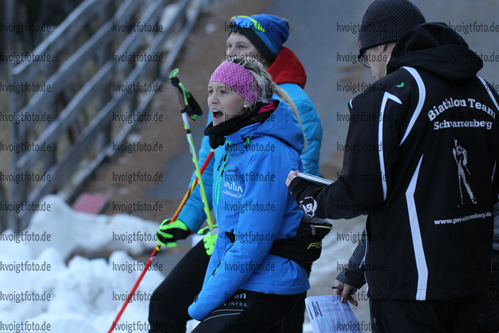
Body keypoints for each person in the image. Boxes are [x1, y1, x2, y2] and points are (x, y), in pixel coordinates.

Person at [285, 0, 499, 332]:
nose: (369, 66)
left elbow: (362, 192)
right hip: (475, 279)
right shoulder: (486, 93)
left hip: (409, 287)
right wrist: (358, 268)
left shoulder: (387, 97)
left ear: (381, 45)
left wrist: (308, 193)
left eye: (365, 55)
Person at [149, 14, 322, 333]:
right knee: (166, 303)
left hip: (272, 244)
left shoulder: (289, 104)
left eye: (241, 45)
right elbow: (209, 169)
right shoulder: (228, 103)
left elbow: (297, 182)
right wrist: (188, 220)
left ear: (266, 53)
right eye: (228, 45)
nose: (231, 52)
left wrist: (248, 230)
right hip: (232, 237)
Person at [186, 55, 308, 332]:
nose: (212, 99)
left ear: (247, 101)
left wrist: (204, 303)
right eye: (210, 90)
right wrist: (209, 293)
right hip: (248, 279)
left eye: (224, 91)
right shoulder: (232, 146)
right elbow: (226, 234)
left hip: (270, 283)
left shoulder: (269, 153)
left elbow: (253, 242)